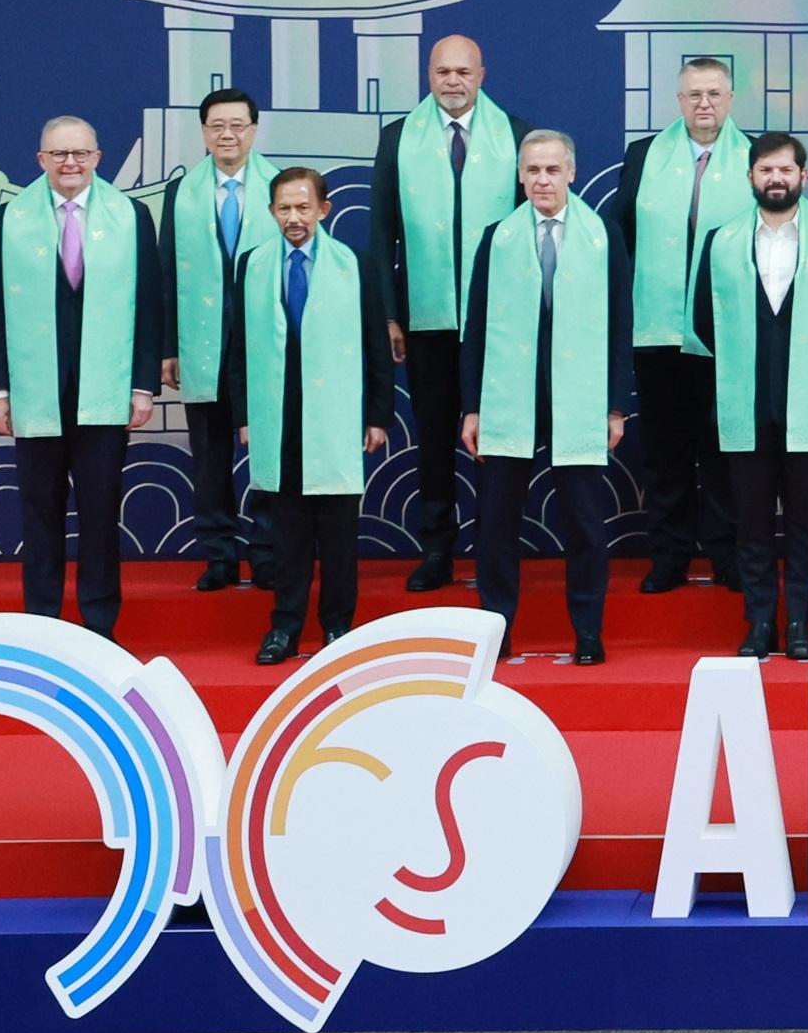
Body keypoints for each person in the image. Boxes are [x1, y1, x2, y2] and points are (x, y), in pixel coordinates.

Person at [689, 133, 808, 662]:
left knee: (806, 522)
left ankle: (800, 624)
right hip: (746, 400)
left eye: (786, 170)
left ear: (803, 177)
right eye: (765, 169)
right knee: (751, 522)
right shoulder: (722, 241)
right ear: (750, 177)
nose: (776, 179)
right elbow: (705, 317)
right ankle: (760, 621)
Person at [0, 117, 164, 640]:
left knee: (102, 510)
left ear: (98, 157)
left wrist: (141, 385)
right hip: (37, 390)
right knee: (39, 512)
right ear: (40, 160)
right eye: (59, 154)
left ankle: (100, 623)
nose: (70, 163)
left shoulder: (131, 217)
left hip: (103, 391)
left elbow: (149, 307)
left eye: (80, 153)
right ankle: (43, 622)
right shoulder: (12, 219)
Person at [459, 131, 632, 665]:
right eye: (532, 170)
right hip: (511, 394)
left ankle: (587, 632)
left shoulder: (603, 234)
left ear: (571, 173)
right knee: (495, 523)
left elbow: (620, 322)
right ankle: (498, 634)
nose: (542, 180)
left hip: (577, 395)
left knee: (584, 522)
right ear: (520, 176)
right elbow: (477, 326)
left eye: (552, 170)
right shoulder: (499, 237)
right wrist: (472, 406)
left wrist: (614, 405)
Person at [371, 36, 531, 590]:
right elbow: (382, 229)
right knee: (434, 437)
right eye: (443, 71)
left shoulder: (515, 136)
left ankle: (495, 545)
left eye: (463, 71)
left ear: (482, 74)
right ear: (429, 74)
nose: (453, 81)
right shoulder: (398, 138)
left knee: (496, 438)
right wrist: (391, 314)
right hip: (427, 318)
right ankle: (437, 549)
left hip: (497, 320)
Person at [221, 168, 391, 663]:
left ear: (323, 209)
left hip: (336, 416)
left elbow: (376, 347)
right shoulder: (252, 265)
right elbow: (239, 347)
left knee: (338, 535)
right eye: (283, 209)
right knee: (287, 533)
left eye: (303, 208)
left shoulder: (354, 264)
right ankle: (285, 628)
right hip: (278, 415)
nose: (293, 219)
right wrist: (245, 414)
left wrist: (377, 414)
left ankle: (338, 627)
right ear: (271, 212)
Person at [612, 56, 751, 595]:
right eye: (694, 94)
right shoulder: (645, 155)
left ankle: (726, 554)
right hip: (658, 327)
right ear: (678, 100)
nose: (704, 104)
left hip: (727, 333)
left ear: (731, 99)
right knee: (666, 451)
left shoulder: (753, 156)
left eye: (714, 94)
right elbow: (622, 233)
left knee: (722, 449)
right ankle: (668, 554)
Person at [159, 87, 274, 590]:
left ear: (254, 128)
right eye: (216, 126)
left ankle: (269, 550)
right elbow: (165, 272)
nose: (227, 134)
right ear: (203, 132)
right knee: (209, 455)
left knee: (269, 448)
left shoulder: (282, 188)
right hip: (202, 341)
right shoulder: (181, 192)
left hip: (264, 343)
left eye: (238, 124)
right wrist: (168, 345)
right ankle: (220, 552)